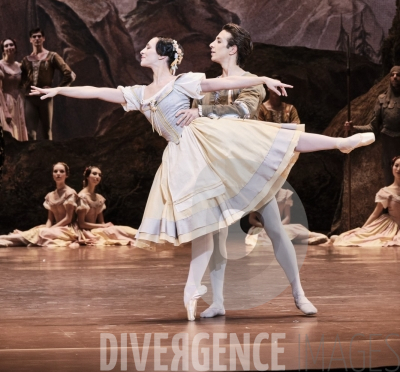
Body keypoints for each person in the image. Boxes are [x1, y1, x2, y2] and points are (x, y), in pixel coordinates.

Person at [30, 36, 375, 321]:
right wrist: (60, 92)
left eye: (148, 47)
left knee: (276, 139)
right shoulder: (140, 93)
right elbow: (102, 92)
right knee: (206, 231)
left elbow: (223, 83)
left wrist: (262, 79)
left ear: (164, 56)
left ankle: (340, 143)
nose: (142, 51)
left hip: (216, 145)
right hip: (187, 160)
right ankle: (200, 292)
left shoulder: (185, 81)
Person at [178, 25, 316, 318]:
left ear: (233, 49)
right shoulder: (209, 86)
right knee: (216, 235)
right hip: (216, 167)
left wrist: (201, 113)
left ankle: (298, 292)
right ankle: (217, 301)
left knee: (275, 228)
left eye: (218, 40)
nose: (211, 44)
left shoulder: (252, 82)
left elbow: (242, 111)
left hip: (246, 163)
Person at [0, 162, 79, 248]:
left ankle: (4, 238)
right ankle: (6, 242)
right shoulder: (50, 195)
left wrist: (50, 229)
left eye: (61, 171)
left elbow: (68, 218)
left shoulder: (70, 193)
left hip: (67, 229)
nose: (58, 174)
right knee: (34, 232)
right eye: (55, 171)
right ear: (52, 174)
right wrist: (48, 227)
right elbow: (50, 219)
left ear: (66, 175)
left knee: (43, 232)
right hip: (54, 226)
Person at [345, 66, 400, 185]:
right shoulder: (382, 100)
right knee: (390, 188)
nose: (395, 77)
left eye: (398, 75)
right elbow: (373, 127)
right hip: (389, 150)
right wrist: (354, 128)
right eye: (392, 75)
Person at [330, 156, 400, 247]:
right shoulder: (386, 192)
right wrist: (362, 230)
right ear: (392, 168)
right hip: (392, 226)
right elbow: (375, 214)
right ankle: (346, 237)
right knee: (364, 239)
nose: (398, 169)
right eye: (396, 165)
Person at [21, 28, 75, 140]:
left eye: (39, 36)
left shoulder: (52, 56)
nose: (37, 39)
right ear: (30, 40)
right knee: (30, 133)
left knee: (47, 132)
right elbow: (19, 78)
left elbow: (69, 74)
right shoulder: (26, 60)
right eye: (34, 36)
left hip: (45, 98)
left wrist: (56, 90)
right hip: (30, 99)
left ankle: (49, 157)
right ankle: (33, 157)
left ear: (43, 38)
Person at [245, 187, 330, 248]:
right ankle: (312, 239)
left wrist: (278, 226)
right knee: (283, 234)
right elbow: (251, 219)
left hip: (280, 224)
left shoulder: (285, 193)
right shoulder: (260, 196)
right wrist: (265, 225)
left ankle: (316, 237)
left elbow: (287, 217)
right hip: (262, 227)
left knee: (289, 230)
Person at [77, 166, 137, 246]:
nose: (97, 177)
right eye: (94, 174)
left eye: (99, 175)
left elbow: (101, 221)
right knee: (118, 232)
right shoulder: (82, 196)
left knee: (122, 230)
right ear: (87, 176)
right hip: (86, 231)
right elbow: (81, 224)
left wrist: (105, 226)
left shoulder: (99, 197)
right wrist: (103, 226)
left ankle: (146, 237)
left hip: (97, 229)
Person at [0, 38, 28, 141]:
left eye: (11, 45)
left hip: (19, 102)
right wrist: (5, 111)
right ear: (3, 50)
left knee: (20, 130)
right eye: (6, 46)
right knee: (9, 132)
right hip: (6, 102)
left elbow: (24, 84)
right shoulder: (1, 65)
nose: (9, 47)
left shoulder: (19, 65)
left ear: (15, 48)